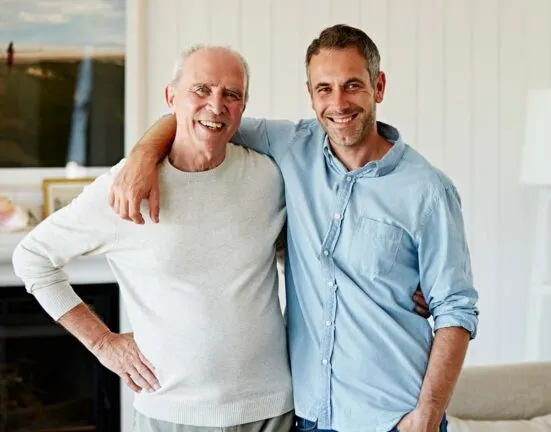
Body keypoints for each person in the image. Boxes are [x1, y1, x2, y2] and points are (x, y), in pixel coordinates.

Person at [110, 25, 479, 432]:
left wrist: (427, 415)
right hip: (307, 415)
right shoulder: (291, 145)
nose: (338, 103)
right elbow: (199, 118)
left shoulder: (428, 190)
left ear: (379, 85)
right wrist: (141, 158)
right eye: (324, 89)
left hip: (394, 417)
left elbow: (456, 310)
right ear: (310, 94)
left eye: (352, 85)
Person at [12, 45, 296, 432]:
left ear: (243, 107)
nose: (216, 105)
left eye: (232, 94)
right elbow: (32, 258)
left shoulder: (268, 178)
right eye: (201, 89)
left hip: (273, 410)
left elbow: (303, 257)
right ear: (170, 97)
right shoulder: (124, 188)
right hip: (170, 415)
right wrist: (102, 344)